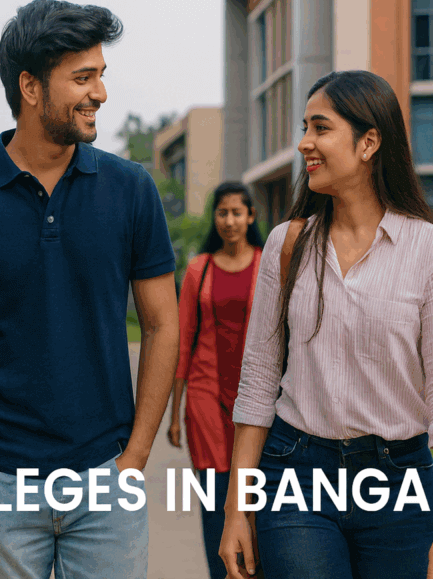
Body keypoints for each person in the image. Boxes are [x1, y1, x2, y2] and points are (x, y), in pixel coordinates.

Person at [0, 0, 179, 579]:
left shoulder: (132, 190)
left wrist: (134, 459)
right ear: (30, 87)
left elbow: (162, 324)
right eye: (82, 78)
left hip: (106, 479)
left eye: (101, 75)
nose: (99, 93)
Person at [219, 71, 433, 579]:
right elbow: (257, 383)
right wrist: (236, 510)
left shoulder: (431, 251)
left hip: (401, 484)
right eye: (305, 127)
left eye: (320, 128)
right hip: (295, 473)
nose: (304, 143)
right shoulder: (287, 244)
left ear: (369, 142)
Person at [168, 181, 265, 579]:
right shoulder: (198, 269)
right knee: (215, 496)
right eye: (222, 213)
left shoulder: (268, 263)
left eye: (237, 212)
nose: (229, 221)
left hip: (257, 401)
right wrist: (175, 414)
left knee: (255, 496)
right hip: (205, 397)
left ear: (251, 217)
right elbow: (182, 340)